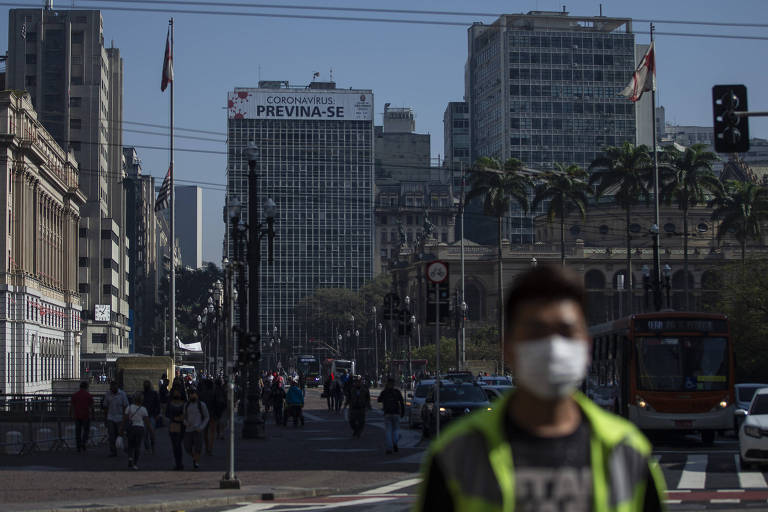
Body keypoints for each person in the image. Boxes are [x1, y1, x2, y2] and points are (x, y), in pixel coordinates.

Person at [416, 265, 665, 511]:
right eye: (536, 332)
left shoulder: (627, 450)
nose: (553, 346)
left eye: (566, 332)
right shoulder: (456, 453)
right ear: (508, 348)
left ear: (586, 345)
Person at [123, 391, 153, 470]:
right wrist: (151, 431)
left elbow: (125, 419)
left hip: (131, 428)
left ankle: (130, 458)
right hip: (140, 428)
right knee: (137, 446)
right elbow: (147, 421)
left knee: (130, 444)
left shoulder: (129, 407)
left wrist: (122, 428)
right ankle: (135, 464)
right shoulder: (143, 409)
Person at [183, 387, 209, 469]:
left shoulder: (202, 405)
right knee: (187, 447)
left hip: (198, 429)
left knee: (198, 447)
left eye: (193, 395)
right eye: (190, 395)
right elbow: (184, 417)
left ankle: (196, 462)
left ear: (197, 395)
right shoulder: (186, 405)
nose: (192, 396)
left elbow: (206, 417)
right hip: (188, 429)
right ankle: (194, 457)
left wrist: (201, 427)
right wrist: (186, 423)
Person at [377, 377, 405, 454]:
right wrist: (402, 412)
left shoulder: (384, 392)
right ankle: (395, 442)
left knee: (388, 431)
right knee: (396, 430)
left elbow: (379, 400)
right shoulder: (397, 392)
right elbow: (402, 402)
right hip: (396, 413)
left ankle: (389, 448)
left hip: (387, 413)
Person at [102, 381, 129, 457]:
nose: (113, 388)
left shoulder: (122, 394)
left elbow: (125, 406)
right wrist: (105, 418)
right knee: (111, 435)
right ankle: (113, 451)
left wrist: (125, 418)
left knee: (121, 434)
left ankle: (123, 448)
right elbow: (105, 407)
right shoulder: (108, 394)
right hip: (111, 417)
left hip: (120, 418)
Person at [165, 387, 186, 470]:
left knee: (178, 445)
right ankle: (178, 463)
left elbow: (186, 414)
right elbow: (166, 414)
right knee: (175, 445)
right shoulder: (170, 404)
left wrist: (182, 417)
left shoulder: (184, 404)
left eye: (178, 393)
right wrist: (173, 418)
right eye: (175, 393)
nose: (177, 394)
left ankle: (179, 463)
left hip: (181, 425)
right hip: (173, 425)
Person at [69, 381, 94, 452]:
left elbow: (72, 406)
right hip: (86, 415)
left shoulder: (75, 395)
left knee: (78, 431)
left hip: (77, 415)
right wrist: (93, 415)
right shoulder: (88, 395)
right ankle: (83, 442)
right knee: (86, 431)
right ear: (86, 387)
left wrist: (70, 414)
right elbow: (92, 406)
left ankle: (78, 446)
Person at [142, 380, 160, 452]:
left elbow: (157, 404)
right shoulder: (143, 394)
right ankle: (147, 445)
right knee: (146, 433)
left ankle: (152, 445)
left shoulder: (154, 394)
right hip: (145, 416)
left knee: (151, 432)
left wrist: (156, 414)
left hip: (151, 415)